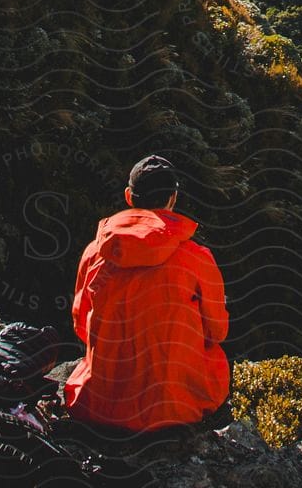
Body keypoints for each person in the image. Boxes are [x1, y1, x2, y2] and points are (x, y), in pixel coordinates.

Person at [64, 155, 230, 433]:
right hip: (176, 408)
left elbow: (81, 326)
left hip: (100, 404)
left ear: (129, 196)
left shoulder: (96, 252)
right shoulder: (198, 258)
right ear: (173, 199)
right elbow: (217, 332)